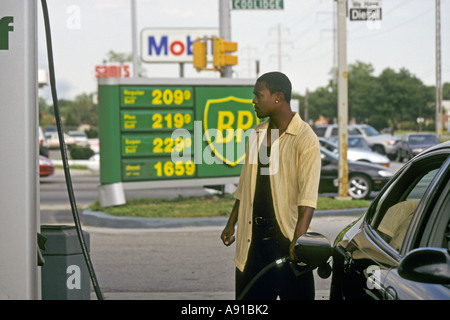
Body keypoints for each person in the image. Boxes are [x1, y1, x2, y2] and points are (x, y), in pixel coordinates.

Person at [220, 72, 322, 300]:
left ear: (278, 97)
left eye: (258, 95)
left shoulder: (305, 138)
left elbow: (308, 197)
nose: (253, 100)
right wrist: (231, 223)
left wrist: (298, 239)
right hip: (252, 241)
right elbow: (245, 185)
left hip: (287, 242)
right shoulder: (257, 134)